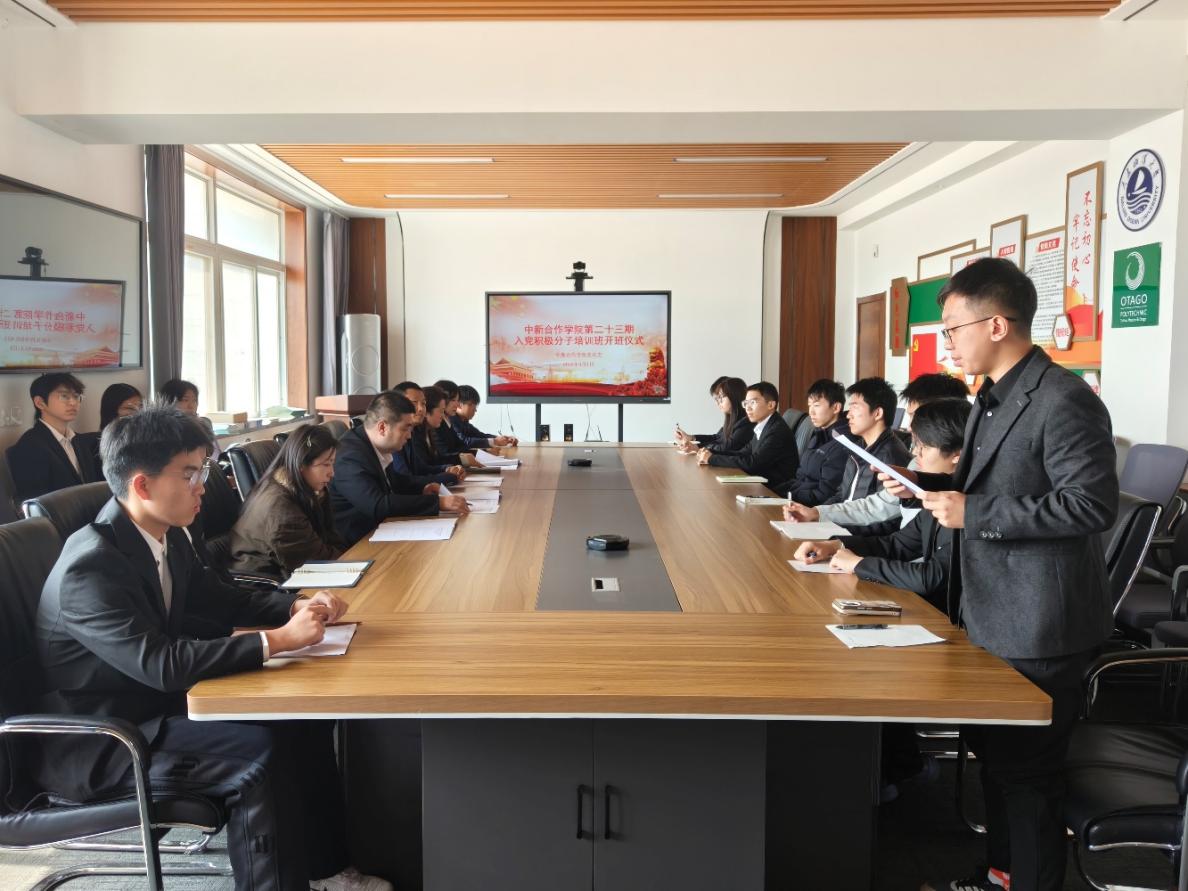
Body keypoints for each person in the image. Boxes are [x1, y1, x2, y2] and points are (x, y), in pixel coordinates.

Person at [33, 403, 391, 891]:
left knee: (300, 721)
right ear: (142, 485)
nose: (203, 484)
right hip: (104, 739)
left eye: (202, 469)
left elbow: (218, 597)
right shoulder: (89, 567)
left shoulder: (165, 534)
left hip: (156, 706)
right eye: (190, 473)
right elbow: (160, 664)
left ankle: (326, 870)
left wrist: (294, 605)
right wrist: (277, 641)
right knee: (259, 755)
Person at [878, 258, 1118, 891]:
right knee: (999, 768)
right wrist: (919, 485)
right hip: (990, 612)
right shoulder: (990, 397)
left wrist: (974, 512)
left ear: (997, 324)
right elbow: (983, 485)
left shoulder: (1063, 399)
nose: (947, 344)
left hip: (1039, 622)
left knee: (1029, 780)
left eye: (953, 329)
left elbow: (1090, 505)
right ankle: (999, 877)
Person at [783, 373, 970, 531]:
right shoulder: (909, 463)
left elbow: (889, 528)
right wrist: (818, 514)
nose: (910, 426)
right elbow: (877, 509)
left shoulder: (894, 457)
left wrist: (837, 534)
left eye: (916, 416)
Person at [329, 391, 468, 545]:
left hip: (381, 530)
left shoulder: (372, 445)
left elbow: (397, 481)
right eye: (405, 428)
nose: (409, 436)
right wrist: (437, 503)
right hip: (357, 542)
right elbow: (378, 505)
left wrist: (422, 489)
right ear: (382, 427)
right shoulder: (349, 456)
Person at [227, 423, 347, 580]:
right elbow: (315, 562)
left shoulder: (310, 489)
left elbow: (330, 536)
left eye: (332, 463)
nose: (332, 473)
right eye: (326, 464)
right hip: (266, 581)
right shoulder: (281, 509)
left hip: (291, 570)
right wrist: (352, 562)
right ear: (301, 464)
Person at [7, 372, 102, 502]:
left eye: (76, 396)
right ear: (40, 403)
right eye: (64, 396)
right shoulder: (29, 446)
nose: (73, 402)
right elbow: (37, 502)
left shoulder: (80, 441)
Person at [818, 377, 910, 506]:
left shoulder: (891, 457)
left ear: (877, 413)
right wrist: (817, 512)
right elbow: (842, 495)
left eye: (855, 408)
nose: (848, 415)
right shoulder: (857, 448)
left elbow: (882, 512)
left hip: (855, 519)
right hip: (843, 516)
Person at [697, 381, 799, 484]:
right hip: (761, 483)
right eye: (746, 403)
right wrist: (711, 453)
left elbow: (753, 464)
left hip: (776, 489)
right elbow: (742, 453)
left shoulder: (776, 431)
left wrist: (712, 459)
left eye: (753, 402)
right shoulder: (763, 426)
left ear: (771, 405)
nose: (748, 408)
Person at [773, 378, 852, 504]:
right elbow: (800, 477)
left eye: (816, 405)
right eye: (809, 406)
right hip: (795, 500)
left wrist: (786, 497)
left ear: (836, 407)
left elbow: (824, 495)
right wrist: (774, 493)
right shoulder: (818, 434)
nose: (811, 412)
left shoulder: (843, 443)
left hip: (809, 508)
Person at [393, 381, 464, 486]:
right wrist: (449, 476)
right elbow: (405, 482)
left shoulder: (411, 433)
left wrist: (447, 469)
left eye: (423, 403)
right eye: (414, 403)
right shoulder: (396, 436)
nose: (421, 409)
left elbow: (421, 468)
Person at [677, 377, 753, 457]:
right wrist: (692, 439)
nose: (719, 402)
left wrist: (698, 447)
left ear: (734, 397)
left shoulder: (745, 423)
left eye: (721, 397)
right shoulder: (732, 420)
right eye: (717, 398)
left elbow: (726, 448)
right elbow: (718, 438)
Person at [412, 386, 471, 479]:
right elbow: (421, 471)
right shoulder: (414, 436)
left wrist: (449, 468)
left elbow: (436, 460)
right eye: (441, 411)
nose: (443, 416)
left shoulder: (428, 432)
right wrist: (449, 474)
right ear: (427, 411)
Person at [160, 378, 220, 459]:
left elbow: (214, 455)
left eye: (194, 400)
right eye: (185, 400)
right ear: (169, 402)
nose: (191, 406)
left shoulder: (203, 424)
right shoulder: (161, 429)